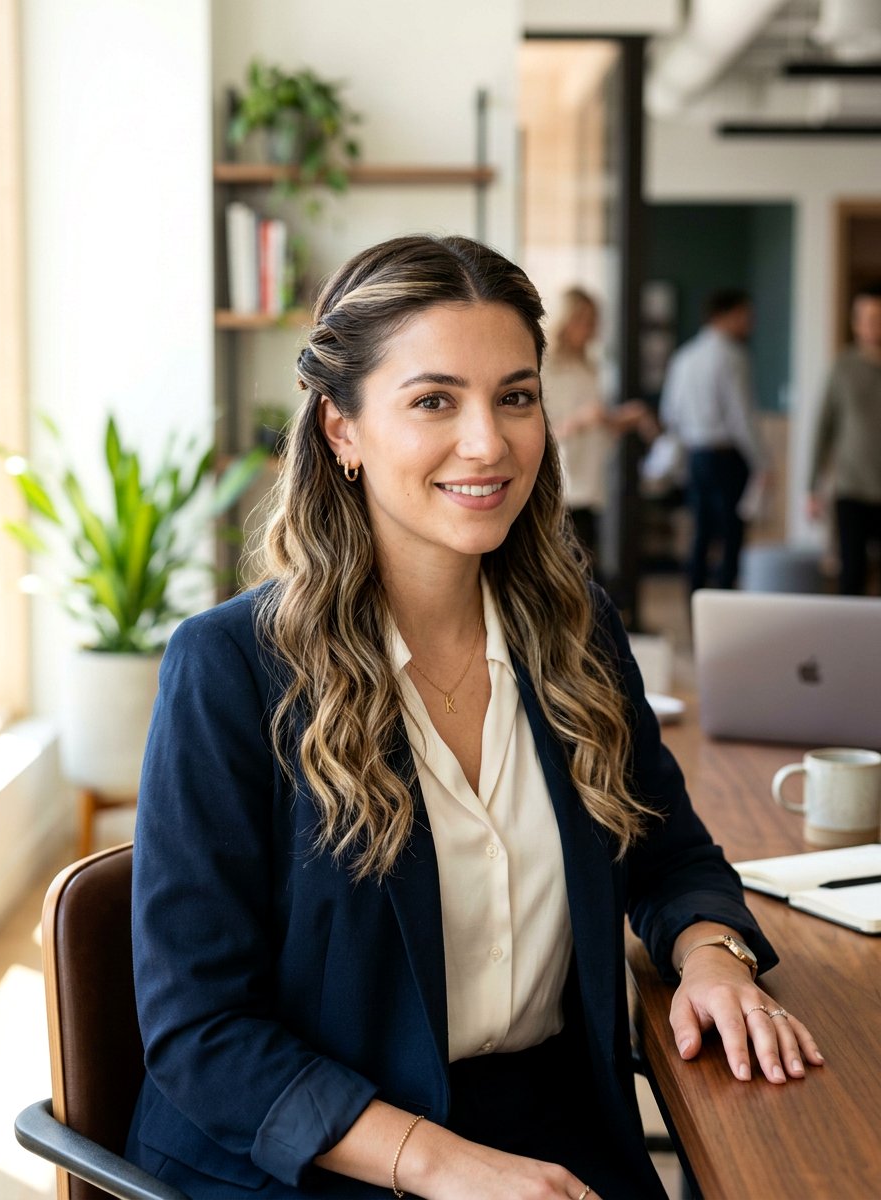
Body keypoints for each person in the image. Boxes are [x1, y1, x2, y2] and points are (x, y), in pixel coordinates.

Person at [125, 236, 822, 1200]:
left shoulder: (574, 631)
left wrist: (711, 959)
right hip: (318, 1157)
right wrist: (438, 1165)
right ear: (341, 430)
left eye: (517, 395)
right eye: (433, 401)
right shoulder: (230, 669)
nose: (489, 442)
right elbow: (201, 1031)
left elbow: (667, 854)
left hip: (547, 1125)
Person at [659, 288, 769, 592]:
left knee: (701, 535)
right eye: (745, 316)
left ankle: (695, 610)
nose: (750, 323)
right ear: (725, 316)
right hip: (727, 457)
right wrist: (763, 463)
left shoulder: (685, 356)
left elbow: (670, 413)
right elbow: (741, 417)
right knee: (731, 536)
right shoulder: (733, 356)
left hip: (696, 457)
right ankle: (724, 608)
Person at [543, 287, 655, 566]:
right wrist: (581, 420)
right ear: (569, 321)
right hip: (563, 485)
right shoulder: (545, 368)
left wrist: (620, 419)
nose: (592, 329)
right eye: (587, 320)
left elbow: (598, 427)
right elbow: (542, 431)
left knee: (585, 565)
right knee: (567, 567)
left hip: (590, 484)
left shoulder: (589, 367)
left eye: (595, 321)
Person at [807, 281, 881, 595]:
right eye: (864, 318)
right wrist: (812, 486)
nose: (870, 327)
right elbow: (823, 428)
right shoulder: (842, 367)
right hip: (851, 489)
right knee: (851, 574)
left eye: (877, 319)